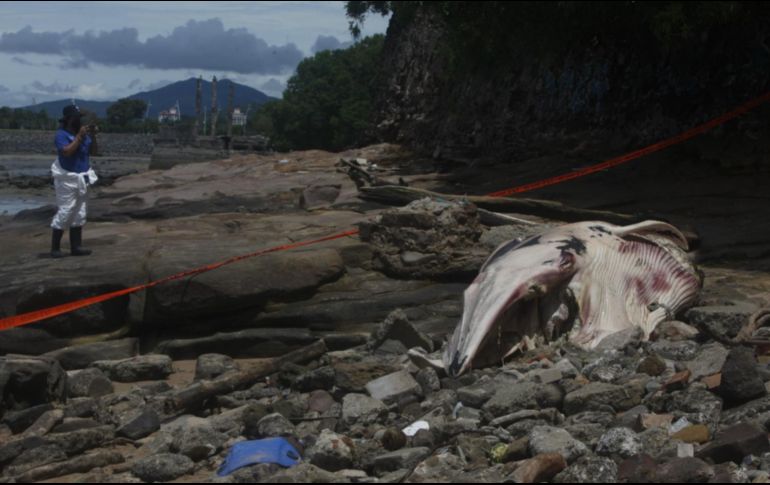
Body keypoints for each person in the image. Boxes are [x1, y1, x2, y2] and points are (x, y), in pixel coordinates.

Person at [51, 104, 99, 258]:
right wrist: (79, 137)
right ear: (70, 119)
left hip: (81, 177)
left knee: (79, 212)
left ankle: (76, 247)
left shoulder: (83, 136)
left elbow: (94, 152)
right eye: (78, 118)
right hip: (67, 179)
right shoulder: (61, 134)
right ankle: (55, 248)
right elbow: (66, 152)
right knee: (66, 211)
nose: (81, 121)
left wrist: (93, 136)